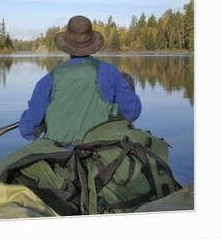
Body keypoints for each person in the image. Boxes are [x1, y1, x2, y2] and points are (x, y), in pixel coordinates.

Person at [20, 15, 141, 145]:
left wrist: (44, 121)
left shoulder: (48, 81)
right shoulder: (110, 73)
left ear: (66, 46)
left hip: (60, 156)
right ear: (92, 44)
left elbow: (27, 130)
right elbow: (132, 112)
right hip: (101, 152)